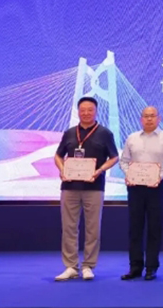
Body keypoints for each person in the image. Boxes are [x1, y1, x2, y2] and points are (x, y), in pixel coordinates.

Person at [53, 96, 119, 281]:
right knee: (69, 228)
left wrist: (100, 171)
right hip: (69, 186)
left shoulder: (105, 133)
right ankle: (71, 266)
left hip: (94, 187)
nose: (86, 113)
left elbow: (114, 157)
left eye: (90, 110)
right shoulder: (69, 133)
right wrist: (62, 169)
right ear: (78, 111)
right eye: (83, 110)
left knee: (93, 228)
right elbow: (58, 156)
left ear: (96, 111)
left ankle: (88, 266)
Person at [119, 106, 163, 281]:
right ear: (141, 119)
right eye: (146, 116)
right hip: (135, 187)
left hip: (156, 187)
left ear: (159, 118)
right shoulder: (132, 138)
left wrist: (160, 175)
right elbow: (124, 161)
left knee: (154, 227)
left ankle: (151, 267)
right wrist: (129, 174)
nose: (149, 119)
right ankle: (135, 267)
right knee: (135, 228)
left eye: (152, 116)